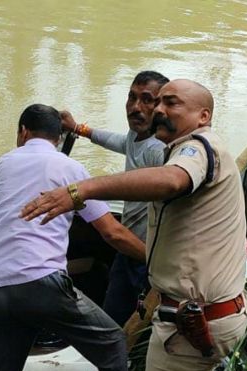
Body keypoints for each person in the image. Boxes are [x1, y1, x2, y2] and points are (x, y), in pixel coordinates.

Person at [21, 80, 247, 371]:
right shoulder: (185, 147)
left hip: (192, 321)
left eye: (172, 103)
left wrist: (81, 189)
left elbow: (170, 182)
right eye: (156, 101)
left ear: (203, 115)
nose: (159, 109)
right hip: (210, 312)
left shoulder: (196, 149)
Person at [0, 103, 147, 371]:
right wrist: (157, 258)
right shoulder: (69, 168)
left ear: (22, 132)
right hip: (43, 285)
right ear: (59, 136)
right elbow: (112, 233)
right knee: (113, 345)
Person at [61, 70, 169, 325]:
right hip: (127, 248)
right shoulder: (136, 138)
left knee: (130, 320)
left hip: (147, 255)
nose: (135, 107)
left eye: (146, 100)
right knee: (114, 312)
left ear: (161, 107)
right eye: (131, 98)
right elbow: (117, 141)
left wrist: (87, 190)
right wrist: (79, 129)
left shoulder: (160, 151)